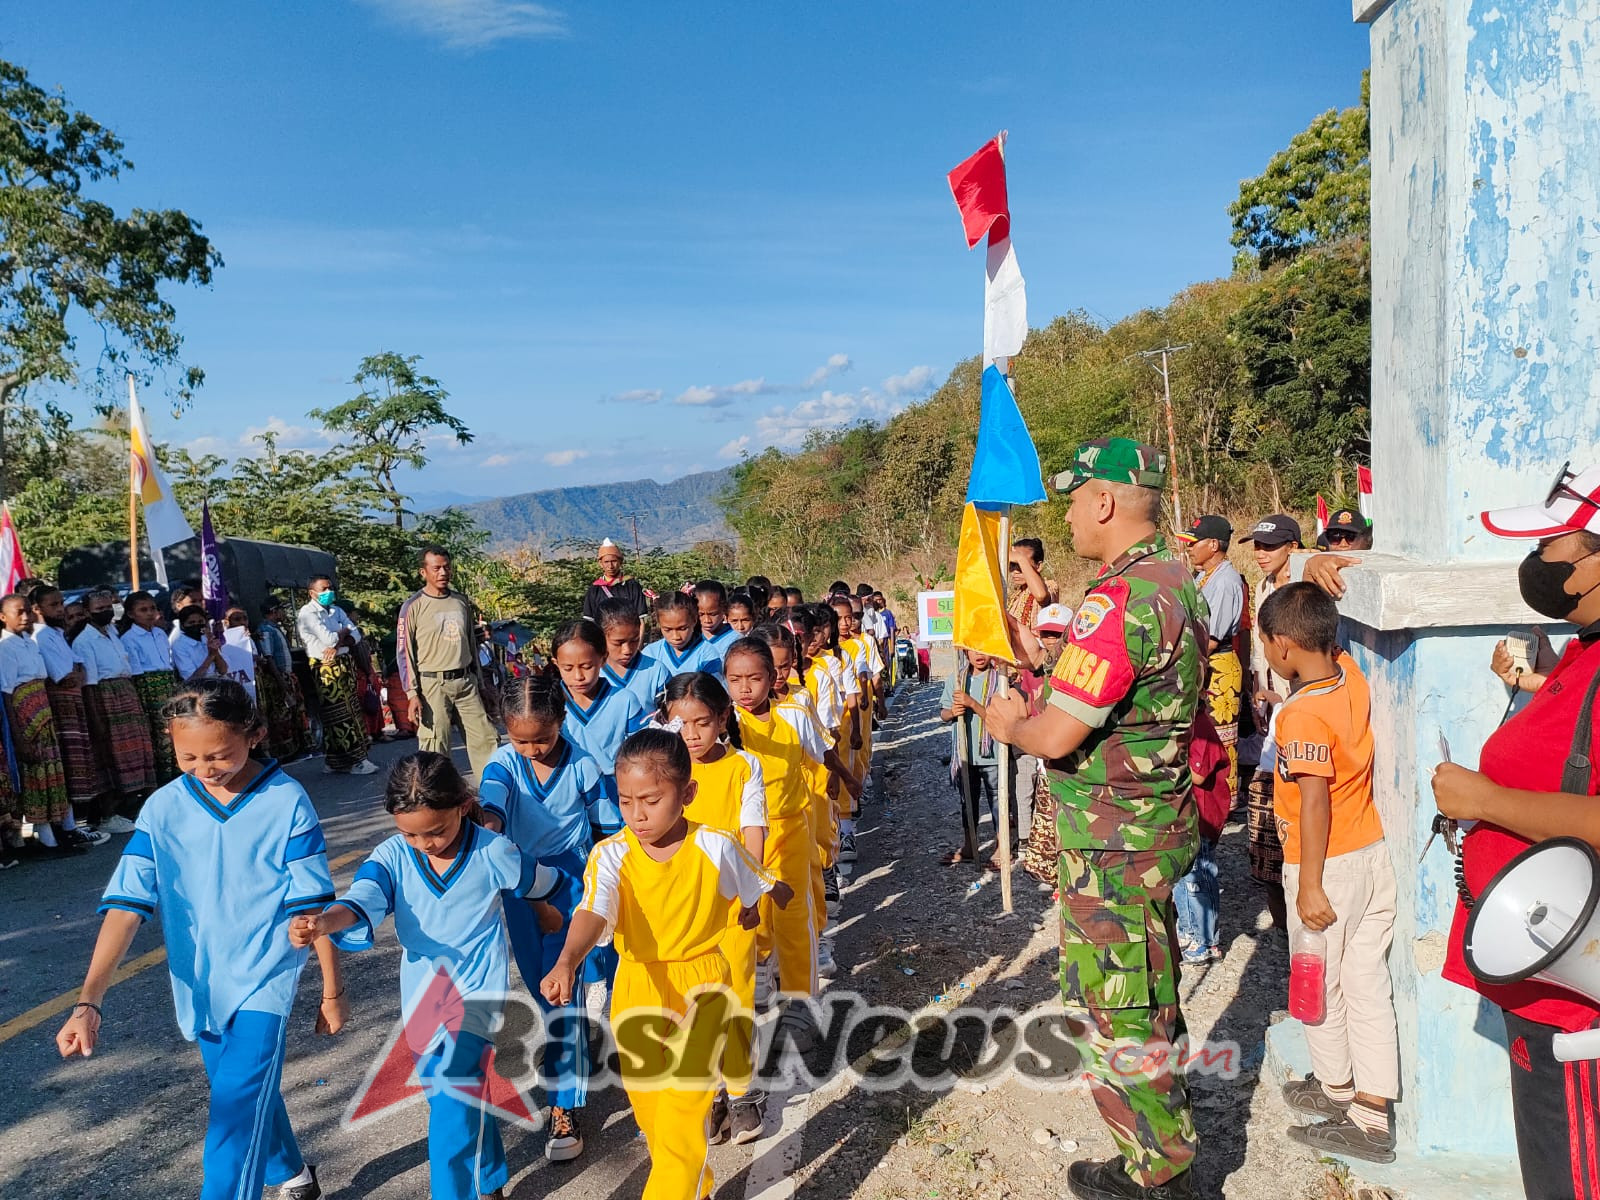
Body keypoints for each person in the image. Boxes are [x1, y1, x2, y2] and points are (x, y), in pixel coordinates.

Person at [985, 437, 1202, 1200]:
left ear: (1104, 502)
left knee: (1121, 1006)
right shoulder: (1176, 578)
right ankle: (1157, 1135)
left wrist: (1007, 721)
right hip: (1149, 827)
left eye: (1076, 500)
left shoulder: (1117, 600)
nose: (1072, 516)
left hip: (1112, 840)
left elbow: (1054, 735)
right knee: (1147, 988)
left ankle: (1159, 1168)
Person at [57, 678, 345, 1200]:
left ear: (253, 735)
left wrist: (331, 988)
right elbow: (126, 907)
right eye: (188, 757)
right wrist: (88, 1001)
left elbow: (312, 908)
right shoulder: (163, 809)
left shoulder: (286, 800)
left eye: (219, 755)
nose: (205, 769)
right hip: (199, 981)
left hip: (267, 976)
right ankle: (292, 1173)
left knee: (234, 1107)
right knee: (242, 1091)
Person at [1430, 462, 1600, 1197]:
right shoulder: (1583, 649)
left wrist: (1485, 800)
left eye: (1553, 544)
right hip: (1540, 971)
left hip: (1577, 1000)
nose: (1537, 564)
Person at [292, 752, 566, 1200]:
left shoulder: (492, 850)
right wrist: (325, 922)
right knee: (451, 1100)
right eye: (411, 833)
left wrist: (546, 912)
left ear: (461, 805)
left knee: (454, 1105)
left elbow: (537, 881)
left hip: (477, 994)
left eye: (436, 831)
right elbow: (363, 897)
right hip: (422, 995)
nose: (426, 843)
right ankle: (490, 1177)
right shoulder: (393, 856)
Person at [539, 728, 790, 1200]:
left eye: (650, 800)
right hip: (638, 989)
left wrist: (768, 896)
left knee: (679, 1116)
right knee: (654, 1119)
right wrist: (568, 960)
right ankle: (697, 1188)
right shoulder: (610, 856)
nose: (637, 814)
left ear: (687, 793)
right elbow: (593, 910)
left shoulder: (715, 845)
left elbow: (758, 882)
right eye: (626, 800)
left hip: (704, 990)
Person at [1256, 582, 1397, 1163]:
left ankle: (1346, 1102)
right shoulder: (1350, 677)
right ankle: (1365, 1101)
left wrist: (1308, 883)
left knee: (1316, 982)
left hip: (1326, 864)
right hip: (1370, 855)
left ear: (1284, 646)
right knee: (1365, 981)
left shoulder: (1302, 716)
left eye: (1267, 644)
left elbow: (1314, 798)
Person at [477, 676, 605, 1163]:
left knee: (561, 992)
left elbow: (607, 826)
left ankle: (564, 1104)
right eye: (520, 738)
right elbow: (492, 804)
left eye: (542, 738)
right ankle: (574, 1054)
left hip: (573, 881)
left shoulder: (583, 766)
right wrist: (485, 830)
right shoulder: (503, 764)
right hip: (520, 885)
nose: (531, 748)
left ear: (562, 722)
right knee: (540, 987)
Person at [661, 672, 771, 1144]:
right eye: (681, 723)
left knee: (737, 996)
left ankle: (743, 1092)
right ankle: (708, 1093)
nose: (691, 734)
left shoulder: (745, 766)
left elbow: (753, 831)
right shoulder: (664, 766)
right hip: (680, 907)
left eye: (701, 722)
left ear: (723, 718)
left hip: (729, 906)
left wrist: (751, 891)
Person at [723, 637, 819, 1013]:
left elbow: (821, 750)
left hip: (790, 827)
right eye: (735, 679)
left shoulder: (793, 714)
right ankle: (761, 967)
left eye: (754, 678)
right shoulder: (727, 721)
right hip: (744, 833)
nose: (745, 689)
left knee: (793, 913)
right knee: (749, 909)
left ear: (774, 676)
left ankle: (800, 998)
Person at [1242, 513, 1303, 933]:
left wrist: (1288, 697)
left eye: (1270, 547)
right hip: (1271, 709)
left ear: (1293, 549)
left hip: (1299, 708)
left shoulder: (1307, 591)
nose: (1261, 555)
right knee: (1265, 828)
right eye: (1258, 547)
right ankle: (1282, 929)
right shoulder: (1263, 587)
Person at [396, 546, 500, 783]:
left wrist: (481, 684)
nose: (443, 572)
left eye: (447, 567)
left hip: (466, 682)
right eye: (436, 568)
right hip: (433, 684)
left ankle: (494, 791)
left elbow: (471, 645)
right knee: (435, 746)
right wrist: (412, 693)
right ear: (424, 572)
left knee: (485, 738)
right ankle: (438, 796)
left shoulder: (460, 602)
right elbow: (404, 653)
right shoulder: (413, 606)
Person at [551, 619, 647, 845]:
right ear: (556, 663)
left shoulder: (624, 700)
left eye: (586, 666)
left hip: (617, 793)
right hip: (570, 798)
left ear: (603, 659)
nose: (578, 676)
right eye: (568, 668)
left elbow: (641, 751)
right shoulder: (552, 704)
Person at [0, 593, 81, 852]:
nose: (25, 617)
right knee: (35, 775)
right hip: (26, 718)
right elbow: (7, 693)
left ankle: (64, 829)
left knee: (53, 772)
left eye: (27, 611)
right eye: (18, 613)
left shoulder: (29, 642)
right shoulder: (5, 648)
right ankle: (46, 838)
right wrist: (19, 736)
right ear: (3, 617)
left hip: (43, 711)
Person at [30, 585, 112, 833]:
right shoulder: (42, 635)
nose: (60, 609)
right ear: (37, 609)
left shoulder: (56, 634)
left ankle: (79, 823)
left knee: (81, 760)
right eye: (53, 605)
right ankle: (74, 823)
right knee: (70, 761)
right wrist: (74, 675)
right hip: (61, 705)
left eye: (60, 603)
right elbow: (64, 677)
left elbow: (79, 670)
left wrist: (75, 675)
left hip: (73, 702)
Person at [74, 587, 156, 822]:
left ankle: (142, 800)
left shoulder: (112, 632)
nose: (106, 611)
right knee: (115, 754)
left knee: (139, 748)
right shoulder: (84, 641)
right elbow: (89, 684)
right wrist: (96, 718)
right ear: (88, 613)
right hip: (106, 697)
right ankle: (119, 808)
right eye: (100, 609)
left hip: (126, 691)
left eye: (108, 607)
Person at [296, 576, 378, 776]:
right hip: (325, 667)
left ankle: (335, 761)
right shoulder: (307, 614)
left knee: (351, 710)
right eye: (323, 589)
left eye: (330, 588)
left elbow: (356, 636)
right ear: (312, 593)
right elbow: (328, 639)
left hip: (343, 663)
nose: (328, 592)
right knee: (339, 715)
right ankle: (355, 760)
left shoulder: (336, 610)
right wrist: (342, 633)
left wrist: (340, 640)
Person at [940, 648, 1012, 868]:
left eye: (984, 650)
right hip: (965, 753)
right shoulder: (957, 679)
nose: (980, 655)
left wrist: (972, 704)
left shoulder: (1000, 680)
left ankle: (1003, 846)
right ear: (964, 652)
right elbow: (943, 714)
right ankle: (970, 844)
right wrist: (953, 712)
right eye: (973, 650)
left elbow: (1000, 717)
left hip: (992, 752)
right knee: (967, 801)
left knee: (998, 801)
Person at [123, 590, 181, 784]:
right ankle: (164, 778)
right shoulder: (129, 638)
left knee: (177, 728)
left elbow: (168, 662)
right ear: (131, 614)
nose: (149, 613)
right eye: (143, 610)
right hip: (149, 686)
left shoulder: (159, 633)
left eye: (152, 608)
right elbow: (137, 672)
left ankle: (180, 769)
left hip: (167, 682)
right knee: (160, 733)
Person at [254, 598, 309, 760]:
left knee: (295, 712)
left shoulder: (276, 628)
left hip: (287, 675)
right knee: (281, 716)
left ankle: (299, 747)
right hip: (277, 678)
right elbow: (269, 657)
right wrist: (281, 681)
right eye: (281, 610)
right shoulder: (265, 630)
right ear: (273, 611)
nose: (284, 613)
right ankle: (286, 752)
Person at [597, 597, 671, 714]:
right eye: (619, 643)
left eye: (634, 641)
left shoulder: (656, 671)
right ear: (600, 636)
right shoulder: (590, 673)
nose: (627, 650)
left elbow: (670, 717)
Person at [640, 590, 718, 675]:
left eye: (682, 629)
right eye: (668, 630)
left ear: (694, 620)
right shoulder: (650, 654)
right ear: (659, 623)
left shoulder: (707, 654)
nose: (676, 637)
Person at [581, 538, 650, 624]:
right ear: (600, 563)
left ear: (620, 562)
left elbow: (641, 619)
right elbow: (589, 621)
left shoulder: (632, 586)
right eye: (606, 562)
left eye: (614, 561)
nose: (610, 566)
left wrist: (639, 637)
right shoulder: (594, 589)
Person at [1008, 537, 1058, 631]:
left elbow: (1041, 596)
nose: (1015, 571)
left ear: (1038, 566)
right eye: (1012, 565)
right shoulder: (1017, 594)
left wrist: (1020, 558)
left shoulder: (1048, 586)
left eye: (1021, 565)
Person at [695, 579, 740, 668]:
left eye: (713, 614)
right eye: (701, 614)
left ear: (724, 608)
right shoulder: (690, 638)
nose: (707, 620)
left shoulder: (736, 640)